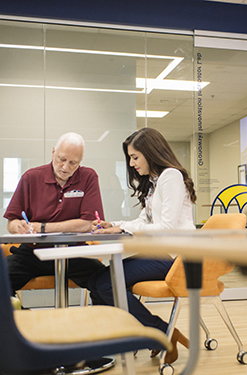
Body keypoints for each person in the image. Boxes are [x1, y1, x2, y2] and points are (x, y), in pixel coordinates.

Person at [89, 127, 196, 364]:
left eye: (135, 157)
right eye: (130, 158)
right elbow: (144, 221)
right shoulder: (154, 182)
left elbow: (167, 227)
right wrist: (114, 224)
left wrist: (123, 229)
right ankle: (127, 337)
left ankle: (160, 334)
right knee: (95, 282)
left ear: (151, 152)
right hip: (159, 254)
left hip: (175, 258)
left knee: (106, 285)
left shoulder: (171, 177)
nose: (132, 163)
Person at [4, 132, 106, 304]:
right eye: (61, 159)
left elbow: (88, 224)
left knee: (107, 283)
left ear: (80, 161)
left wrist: (42, 228)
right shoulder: (31, 177)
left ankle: (103, 325)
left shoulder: (88, 177)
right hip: (33, 253)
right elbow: (11, 222)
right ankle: (18, 321)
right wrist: (18, 227)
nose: (65, 167)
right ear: (53, 153)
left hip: (74, 253)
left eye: (73, 163)